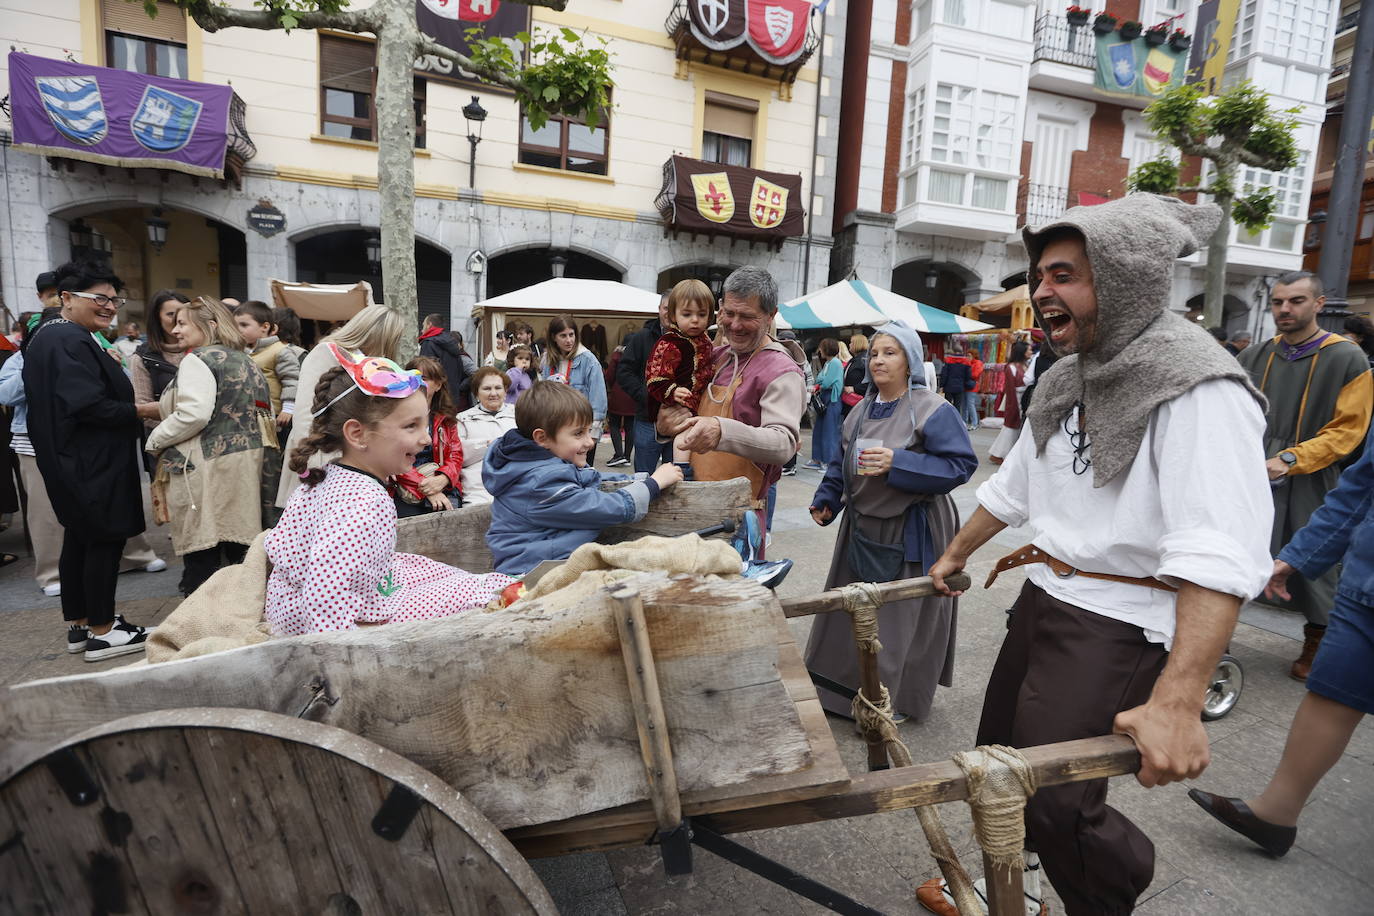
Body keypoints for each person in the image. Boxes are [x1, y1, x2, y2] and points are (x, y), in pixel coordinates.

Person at [918, 195, 1273, 916]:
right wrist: (953, 554)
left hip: (1120, 621)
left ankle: (1105, 900)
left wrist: (1178, 703)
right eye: (1040, 275)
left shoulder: (1198, 386)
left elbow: (1219, 550)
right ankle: (1017, 889)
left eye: (1065, 275)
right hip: (1047, 597)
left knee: (1058, 801)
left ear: (1125, 278)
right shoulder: (1065, 376)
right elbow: (1015, 486)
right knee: (998, 761)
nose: (1042, 292)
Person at [1187, 423, 1374, 858]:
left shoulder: (1342, 357)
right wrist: (1296, 555)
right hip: (1366, 580)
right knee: (1333, 689)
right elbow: (1363, 485)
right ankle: (1276, 813)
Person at [266, 358, 513, 637]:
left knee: (418, 566)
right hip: (337, 623)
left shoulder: (326, 477)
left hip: (289, 609)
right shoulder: (365, 502)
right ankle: (506, 591)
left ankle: (492, 585)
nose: (427, 440)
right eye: (411, 426)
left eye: (425, 424)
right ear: (358, 434)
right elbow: (325, 594)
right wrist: (338, 656)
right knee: (466, 591)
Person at [805, 322, 976, 723]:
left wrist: (899, 462)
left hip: (912, 526)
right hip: (862, 526)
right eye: (876, 352)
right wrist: (827, 498)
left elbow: (960, 465)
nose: (879, 360)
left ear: (910, 360)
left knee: (898, 621)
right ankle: (840, 694)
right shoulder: (860, 410)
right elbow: (840, 463)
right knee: (849, 610)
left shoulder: (934, 408)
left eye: (891, 352)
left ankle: (890, 700)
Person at [1238, 271, 1373, 679]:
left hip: (1312, 474)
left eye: (1296, 301)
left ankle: (1318, 638)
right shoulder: (1255, 355)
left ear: (1318, 304)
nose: (1284, 309)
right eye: (1278, 301)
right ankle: (1215, 632)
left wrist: (1293, 459)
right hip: (1252, 471)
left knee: (1313, 561)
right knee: (1238, 548)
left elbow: (1349, 431)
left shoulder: (1346, 357)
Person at [21, 261, 158, 660]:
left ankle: (81, 625)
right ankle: (104, 630)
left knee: (81, 537)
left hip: (70, 457)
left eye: (115, 299)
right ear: (66, 298)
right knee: (103, 537)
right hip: (89, 459)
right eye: (100, 298)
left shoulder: (52, 335)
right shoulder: (69, 339)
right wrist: (146, 410)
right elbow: (89, 406)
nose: (110, 306)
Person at [657, 266, 806, 555]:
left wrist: (721, 430)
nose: (734, 325)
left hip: (738, 518)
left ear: (770, 316)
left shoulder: (781, 370)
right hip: (694, 506)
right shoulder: (714, 358)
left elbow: (783, 443)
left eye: (747, 317)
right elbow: (680, 416)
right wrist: (665, 425)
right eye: (729, 313)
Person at [146, 297, 277, 597]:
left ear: (211, 326)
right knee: (238, 549)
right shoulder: (243, 359)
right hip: (245, 465)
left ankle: (200, 624)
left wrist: (155, 440)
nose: (175, 330)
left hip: (207, 467)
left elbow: (194, 414)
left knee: (203, 550)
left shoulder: (199, 359)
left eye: (182, 324)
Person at [483, 381, 681, 576]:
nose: (590, 442)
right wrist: (652, 485)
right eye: (578, 433)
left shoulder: (541, 465)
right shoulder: (540, 483)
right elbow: (603, 507)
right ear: (542, 438)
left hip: (549, 565)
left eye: (589, 431)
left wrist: (638, 479)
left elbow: (590, 477)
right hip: (530, 574)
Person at [276, 305, 406, 508]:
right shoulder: (326, 352)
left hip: (349, 461)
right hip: (321, 456)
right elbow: (305, 414)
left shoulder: (367, 362)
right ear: (381, 335)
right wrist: (313, 463)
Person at [645, 279, 715, 474]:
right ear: (673, 315)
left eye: (701, 315)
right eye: (687, 314)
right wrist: (672, 391)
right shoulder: (670, 342)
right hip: (680, 402)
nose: (695, 320)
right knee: (685, 431)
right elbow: (655, 376)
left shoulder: (705, 339)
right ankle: (682, 471)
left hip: (701, 400)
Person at [390, 355, 464, 517]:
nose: (418, 382)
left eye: (424, 378)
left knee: (451, 518)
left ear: (438, 385)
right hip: (406, 485)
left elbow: (455, 455)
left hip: (440, 480)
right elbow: (392, 457)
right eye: (414, 377)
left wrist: (443, 479)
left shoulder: (446, 418)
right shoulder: (395, 415)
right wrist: (426, 488)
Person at [618, 295, 674, 473]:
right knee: (644, 476)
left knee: (676, 477)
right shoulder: (642, 337)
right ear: (659, 309)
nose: (670, 313)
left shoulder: (689, 339)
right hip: (647, 420)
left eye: (674, 308)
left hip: (679, 419)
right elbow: (624, 372)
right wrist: (645, 396)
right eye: (666, 308)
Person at [541, 316, 607, 466]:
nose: (568, 340)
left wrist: (593, 434)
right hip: (556, 430)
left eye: (571, 335)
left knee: (582, 474)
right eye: (563, 336)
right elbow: (542, 397)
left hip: (581, 431)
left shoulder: (588, 360)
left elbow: (599, 400)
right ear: (553, 337)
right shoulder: (548, 361)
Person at [456, 366, 517, 508]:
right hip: (479, 489)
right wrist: (489, 445)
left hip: (516, 485)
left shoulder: (519, 415)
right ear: (476, 393)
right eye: (487, 388)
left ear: (506, 391)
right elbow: (458, 454)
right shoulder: (463, 419)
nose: (493, 393)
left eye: (498, 388)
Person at [233, 300, 300, 427]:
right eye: (236, 325)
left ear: (265, 327)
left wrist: (288, 409)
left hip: (276, 417)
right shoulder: (241, 352)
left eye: (244, 325)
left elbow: (292, 381)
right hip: (248, 415)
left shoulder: (280, 351)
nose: (238, 330)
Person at [131, 290, 191, 432]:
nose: (178, 319)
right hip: (166, 440)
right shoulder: (143, 357)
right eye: (171, 314)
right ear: (157, 318)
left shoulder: (205, 350)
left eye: (184, 313)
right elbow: (144, 410)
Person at [988, 339, 1031, 465]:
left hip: (1023, 399)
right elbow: (1010, 388)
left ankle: (1001, 454)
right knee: (1010, 428)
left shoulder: (1025, 365)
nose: (1031, 351)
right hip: (1015, 399)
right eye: (1029, 349)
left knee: (1013, 429)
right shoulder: (1011, 367)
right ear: (1022, 351)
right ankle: (999, 455)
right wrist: (1012, 406)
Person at [802, 338, 843, 471]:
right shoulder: (829, 363)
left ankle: (828, 461)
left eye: (821, 348)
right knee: (819, 430)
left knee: (829, 432)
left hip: (832, 399)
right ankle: (817, 459)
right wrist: (822, 381)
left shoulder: (835, 363)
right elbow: (820, 379)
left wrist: (822, 381)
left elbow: (825, 382)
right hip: (826, 398)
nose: (819, 351)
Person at [418, 313, 471, 412]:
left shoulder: (429, 343)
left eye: (423, 325)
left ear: (429, 325)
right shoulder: (452, 343)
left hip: (436, 400)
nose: (421, 330)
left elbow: (426, 373)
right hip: (452, 398)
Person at [939, 336, 983, 431]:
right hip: (960, 388)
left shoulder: (948, 361)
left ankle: (947, 423)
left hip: (949, 387)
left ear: (954, 352)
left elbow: (944, 375)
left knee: (947, 404)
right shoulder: (966, 362)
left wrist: (941, 385)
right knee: (958, 406)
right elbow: (968, 376)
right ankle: (956, 424)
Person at [604, 343, 637, 468]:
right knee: (630, 427)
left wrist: (613, 387)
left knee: (614, 424)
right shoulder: (637, 354)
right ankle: (627, 457)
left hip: (618, 392)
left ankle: (619, 455)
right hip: (633, 393)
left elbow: (610, 375)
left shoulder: (617, 356)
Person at [841, 333, 869, 416]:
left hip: (859, 402)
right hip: (850, 401)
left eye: (851, 342)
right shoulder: (855, 359)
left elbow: (872, 382)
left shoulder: (864, 360)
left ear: (857, 344)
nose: (849, 345)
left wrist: (854, 388)